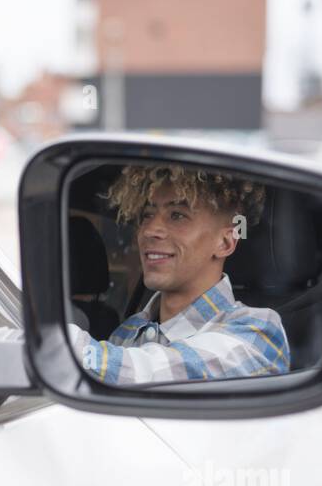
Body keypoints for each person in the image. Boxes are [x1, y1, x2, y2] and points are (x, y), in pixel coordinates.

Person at [69, 163, 290, 385]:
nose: (149, 230)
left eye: (177, 215)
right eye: (147, 215)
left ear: (225, 242)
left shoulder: (259, 331)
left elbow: (154, 375)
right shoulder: (127, 331)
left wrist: (57, 340)